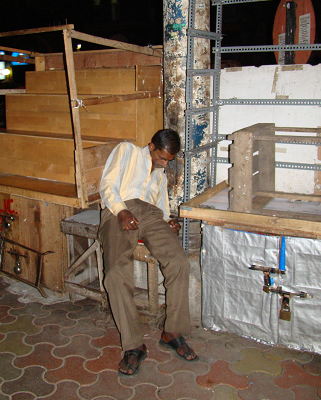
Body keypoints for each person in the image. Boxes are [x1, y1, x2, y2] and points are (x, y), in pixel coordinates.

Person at [98, 129, 198, 378]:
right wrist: (121, 210)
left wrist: (168, 221)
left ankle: (172, 332)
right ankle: (134, 345)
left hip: (151, 216)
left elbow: (160, 207)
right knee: (115, 274)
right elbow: (108, 184)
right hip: (118, 211)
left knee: (179, 262)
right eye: (162, 158)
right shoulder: (127, 151)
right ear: (151, 147)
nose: (165, 164)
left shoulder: (161, 176)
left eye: (169, 161)